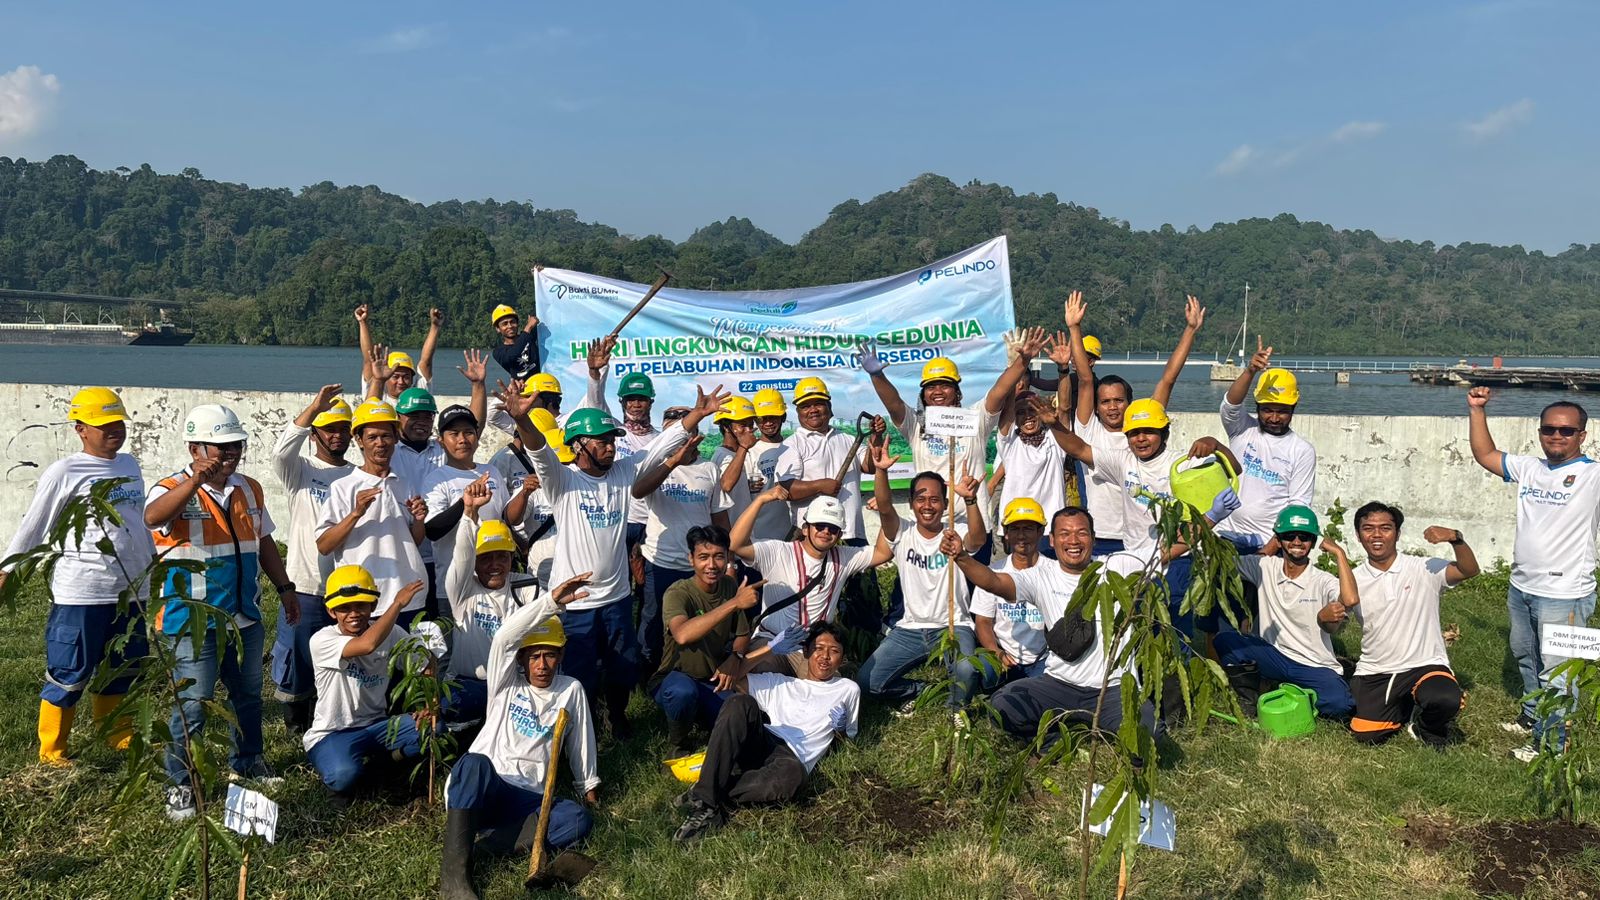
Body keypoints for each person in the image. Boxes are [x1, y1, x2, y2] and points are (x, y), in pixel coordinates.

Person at [496, 379, 726, 737]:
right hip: (576, 603)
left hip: (617, 598)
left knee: (623, 667)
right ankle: (582, 725)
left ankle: (618, 716)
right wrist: (523, 422)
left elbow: (660, 445)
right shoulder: (562, 480)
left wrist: (697, 414)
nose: (611, 447)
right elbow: (540, 451)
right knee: (580, 671)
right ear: (578, 447)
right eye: (602, 441)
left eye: (613, 440)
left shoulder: (622, 473)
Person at [145, 404, 294, 819]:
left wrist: (285, 589)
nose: (231, 454)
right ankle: (182, 783)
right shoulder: (171, 487)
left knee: (247, 695)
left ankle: (248, 760)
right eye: (221, 446)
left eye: (236, 445)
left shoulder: (249, 488)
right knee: (193, 704)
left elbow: (263, 542)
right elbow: (153, 517)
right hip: (192, 620)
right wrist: (194, 482)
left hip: (243, 615)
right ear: (195, 448)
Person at [2, 387, 154, 766]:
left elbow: (138, 520)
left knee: (123, 663)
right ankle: (53, 749)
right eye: (103, 425)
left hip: (132, 588)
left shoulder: (129, 465)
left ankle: (117, 735)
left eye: (117, 422)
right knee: (70, 668)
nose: (113, 431)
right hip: (84, 589)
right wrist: (7, 570)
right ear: (80, 429)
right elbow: (34, 525)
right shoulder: (64, 472)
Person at [440, 573, 598, 900]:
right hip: (487, 788)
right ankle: (454, 879)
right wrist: (551, 602)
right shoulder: (506, 684)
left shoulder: (570, 690)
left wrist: (589, 786)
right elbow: (503, 638)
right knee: (472, 764)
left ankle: (482, 848)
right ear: (522, 659)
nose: (542, 665)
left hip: (527, 800)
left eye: (550, 654)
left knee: (576, 819)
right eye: (534, 656)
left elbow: (581, 739)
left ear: (561, 656)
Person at [945, 507, 1154, 745]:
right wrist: (961, 556)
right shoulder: (1041, 576)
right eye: (1065, 534)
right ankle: (1059, 735)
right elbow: (993, 582)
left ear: (1094, 538)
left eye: (1082, 533)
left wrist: (1207, 517)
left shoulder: (1119, 565)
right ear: (1052, 540)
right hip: (1059, 683)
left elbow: (1170, 548)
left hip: (1113, 688)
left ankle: (1093, 723)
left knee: (1148, 733)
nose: (1073, 541)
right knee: (1002, 706)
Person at [1466, 387, 1600, 756]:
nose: (1556, 436)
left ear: (1582, 436)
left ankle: (1552, 746)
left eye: (1566, 430)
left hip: (1566, 594)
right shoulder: (1530, 468)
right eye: (1548, 429)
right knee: (1526, 657)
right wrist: (1477, 410)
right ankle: (1532, 716)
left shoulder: (1592, 476)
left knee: (1559, 674)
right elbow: (1485, 454)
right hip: (1520, 587)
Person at [674, 622, 859, 842]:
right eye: (819, 648)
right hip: (764, 740)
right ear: (806, 652)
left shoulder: (847, 689)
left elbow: (850, 736)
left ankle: (707, 791)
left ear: (842, 658)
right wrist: (769, 649)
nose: (825, 656)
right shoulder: (780, 683)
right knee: (740, 703)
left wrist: (841, 729)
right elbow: (732, 678)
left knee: (794, 776)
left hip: (791, 758)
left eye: (834, 651)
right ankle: (708, 801)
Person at [728, 440, 898, 673]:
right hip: (773, 641)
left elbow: (883, 551)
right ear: (806, 527)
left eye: (833, 528)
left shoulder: (843, 557)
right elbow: (736, 544)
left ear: (840, 533)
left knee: (834, 692)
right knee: (761, 678)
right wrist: (760, 500)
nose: (826, 532)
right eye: (820, 525)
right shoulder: (779, 551)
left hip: (813, 646)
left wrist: (885, 505)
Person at [1064, 290, 1206, 556]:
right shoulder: (1089, 428)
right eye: (1105, 402)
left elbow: (1167, 379)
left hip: (1148, 538)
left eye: (1119, 400)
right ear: (1096, 407)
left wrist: (1190, 330)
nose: (1113, 407)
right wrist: (1074, 328)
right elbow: (1084, 379)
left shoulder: (1145, 425)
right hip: (1100, 534)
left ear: (1130, 403)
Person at [861, 328, 1047, 525]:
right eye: (931, 387)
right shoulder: (916, 424)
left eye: (945, 385)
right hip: (927, 525)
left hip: (972, 525)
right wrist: (877, 375)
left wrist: (1021, 362)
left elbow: (999, 392)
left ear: (957, 392)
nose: (938, 391)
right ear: (923, 395)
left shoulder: (975, 418)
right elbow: (894, 404)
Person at [857, 466, 990, 711]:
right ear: (910, 503)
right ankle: (924, 692)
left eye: (934, 500)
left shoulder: (955, 532)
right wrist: (881, 471)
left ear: (945, 504)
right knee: (867, 682)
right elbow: (885, 507)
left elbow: (978, 539)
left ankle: (955, 709)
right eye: (920, 499)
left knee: (967, 670)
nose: (927, 505)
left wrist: (970, 499)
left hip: (953, 626)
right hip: (910, 628)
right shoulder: (902, 532)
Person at [1348, 502, 1479, 749]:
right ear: (1358, 535)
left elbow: (1468, 570)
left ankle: (1428, 727)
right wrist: (1327, 617)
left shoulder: (1423, 568)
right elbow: (1334, 625)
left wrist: (1455, 539)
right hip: (1377, 669)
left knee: (1445, 699)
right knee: (1366, 735)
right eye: (1368, 529)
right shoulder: (1352, 578)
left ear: (1397, 534)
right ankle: (1405, 705)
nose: (1377, 535)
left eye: (1385, 528)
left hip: (1424, 664)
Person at [1212, 505, 1358, 719]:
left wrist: (1339, 554)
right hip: (1274, 654)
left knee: (1340, 706)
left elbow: (1350, 599)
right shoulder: (1263, 566)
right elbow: (1220, 563)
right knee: (1226, 642)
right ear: (1278, 541)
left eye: (1304, 537)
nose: (1297, 542)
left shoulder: (1321, 580)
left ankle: (1299, 689)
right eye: (1290, 536)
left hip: (1311, 662)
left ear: (1313, 543)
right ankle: (1249, 701)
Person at [269, 385, 355, 734]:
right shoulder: (300, 470)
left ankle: (332, 719)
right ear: (314, 434)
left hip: (346, 587)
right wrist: (313, 407)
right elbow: (280, 451)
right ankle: (295, 723)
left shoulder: (358, 475)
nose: (337, 436)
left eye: (343, 429)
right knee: (297, 658)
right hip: (304, 584)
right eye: (329, 429)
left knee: (340, 659)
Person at [303, 567, 429, 799]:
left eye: (361, 605)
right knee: (343, 775)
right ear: (331, 611)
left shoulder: (393, 633)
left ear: (372, 606)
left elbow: (425, 664)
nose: (354, 614)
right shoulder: (322, 640)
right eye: (344, 608)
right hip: (333, 732)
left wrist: (426, 704)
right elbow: (366, 645)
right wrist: (397, 605)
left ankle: (382, 765)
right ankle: (360, 768)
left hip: (378, 724)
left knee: (432, 730)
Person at [632, 408, 733, 674]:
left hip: (698, 566)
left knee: (698, 621)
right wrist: (673, 461)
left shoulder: (708, 468)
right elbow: (638, 490)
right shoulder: (656, 467)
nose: (683, 441)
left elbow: (719, 517)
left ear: (697, 436)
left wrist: (728, 559)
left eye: (687, 434)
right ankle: (649, 675)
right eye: (675, 436)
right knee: (652, 620)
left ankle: (692, 671)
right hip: (660, 562)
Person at [647, 525, 762, 749]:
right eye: (703, 557)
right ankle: (678, 744)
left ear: (727, 557)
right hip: (675, 677)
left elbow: (743, 634)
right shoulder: (678, 593)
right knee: (682, 694)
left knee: (743, 715)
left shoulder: (729, 585)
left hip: (712, 679)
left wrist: (735, 657)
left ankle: (701, 716)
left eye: (719, 557)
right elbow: (682, 635)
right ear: (691, 559)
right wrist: (734, 603)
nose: (711, 565)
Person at [316, 400, 429, 627]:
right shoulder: (343, 487)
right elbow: (324, 545)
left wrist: (419, 520)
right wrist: (356, 513)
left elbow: (412, 541)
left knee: (409, 662)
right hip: (363, 600)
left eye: (386, 436)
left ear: (396, 438)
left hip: (409, 597)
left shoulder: (405, 485)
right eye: (372, 437)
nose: (380, 443)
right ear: (358, 440)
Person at [443, 484, 544, 722]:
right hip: (467, 684)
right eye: (486, 558)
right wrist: (469, 512)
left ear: (512, 557)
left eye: (502, 556)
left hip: (513, 683)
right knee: (450, 708)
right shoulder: (462, 589)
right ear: (475, 563)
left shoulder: (528, 586)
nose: (495, 564)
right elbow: (462, 554)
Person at [1217, 337, 1317, 553]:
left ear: (1293, 408)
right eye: (1267, 410)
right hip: (1225, 535)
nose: (1274, 417)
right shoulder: (1242, 429)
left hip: (1267, 544)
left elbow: (1297, 506)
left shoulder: (1301, 450)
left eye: (1281, 411)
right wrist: (1250, 370)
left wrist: (1267, 552)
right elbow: (1230, 405)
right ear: (1257, 407)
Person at [775, 377, 875, 543]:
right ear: (798, 412)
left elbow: (870, 467)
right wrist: (819, 486)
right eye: (806, 406)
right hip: (813, 536)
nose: (813, 410)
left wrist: (876, 438)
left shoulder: (848, 439)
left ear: (830, 408)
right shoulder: (792, 444)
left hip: (851, 532)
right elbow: (785, 489)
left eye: (818, 404)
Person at [971, 499, 1051, 686]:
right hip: (1003, 654)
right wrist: (996, 652)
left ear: (1040, 532)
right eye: (1015, 529)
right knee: (973, 671)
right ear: (1006, 534)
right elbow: (983, 621)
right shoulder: (993, 573)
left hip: (1044, 658)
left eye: (1029, 529)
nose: (1022, 536)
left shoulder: (1053, 570)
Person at [489, 408, 569, 586]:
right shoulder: (502, 460)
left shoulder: (548, 460)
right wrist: (519, 545)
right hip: (525, 547)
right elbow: (503, 516)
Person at [993, 392, 1070, 549]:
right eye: (1021, 412)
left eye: (1033, 410)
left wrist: (1063, 372)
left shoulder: (1055, 440)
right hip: (1014, 525)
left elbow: (1065, 408)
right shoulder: (1009, 443)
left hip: (1049, 529)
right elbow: (1006, 410)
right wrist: (1018, 370)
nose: (1027, 416)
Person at [356, 303, 439, 400]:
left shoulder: (418, 395)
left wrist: (435, 326)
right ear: (386, 378)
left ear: (412, 379)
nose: (401, 382)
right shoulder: (377, 391)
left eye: (406, 377)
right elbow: (369, 360)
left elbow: (426, 362)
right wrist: (363, 322)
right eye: (395, 377)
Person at [490, 303, 541, 379]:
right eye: (505, 324)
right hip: (524, 388)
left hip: (544, 382)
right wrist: (528, 327)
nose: (510, 326)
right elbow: (513, 355)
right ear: (498, 329)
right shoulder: (498, 352)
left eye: (512, 322)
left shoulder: (528, 337)